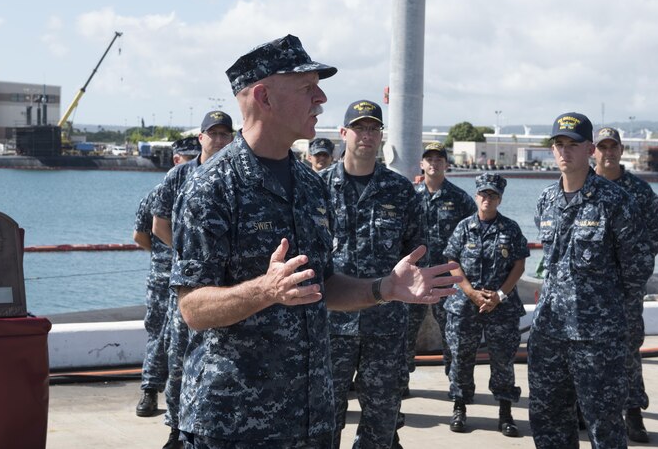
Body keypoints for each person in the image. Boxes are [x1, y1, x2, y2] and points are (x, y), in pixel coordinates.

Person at [169, 34, 461, 449]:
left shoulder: (310, 184)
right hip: (234, 423)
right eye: (307, 88)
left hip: (311, 417)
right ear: (264, 96)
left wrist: (383, 289)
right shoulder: (212, 187)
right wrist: (265, 290)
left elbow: (321, 285)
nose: (320, 97)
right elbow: (193, 308)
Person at [529, 112, 654, 449]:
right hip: (550, 334)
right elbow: (551, 264)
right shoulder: (546, 201)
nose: (564, 152)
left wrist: (609, 313)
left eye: (573, 145)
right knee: (549, 421)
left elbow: (638, 266)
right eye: (559, 145)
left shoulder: (615, 201)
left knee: (604, 427)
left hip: (597, 337)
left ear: (589, 149)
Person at [320, 100, 421, 449]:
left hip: (386, 324)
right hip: (331, 322)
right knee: (323, 415)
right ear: (343, 133)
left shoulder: (401, 190)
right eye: (359, 127)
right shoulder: (315, 188)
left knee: (381, 416)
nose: (366, 134)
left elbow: (416, 253)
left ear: (381, 136)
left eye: (373, 128)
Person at [151, 110, 235, 448]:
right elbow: (158, 226)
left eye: (224, 134)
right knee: (179, 359)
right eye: (212, 134)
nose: (218, 140)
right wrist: (191, 255)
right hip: (189, 287)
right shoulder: (179, 176)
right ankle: (176, 428)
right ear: (200, 138)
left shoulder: (237, 176)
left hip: (226, 287)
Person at [443, 173, 528, 436]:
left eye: (492, 195)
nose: (486, 199)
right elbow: (452, 262)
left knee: (503, 360)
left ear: (500, 198)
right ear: (476, 196)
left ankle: (505, 413)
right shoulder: (463, 227)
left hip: (501, 307)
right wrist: (470, 292)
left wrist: (500, 295)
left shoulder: (510, 228)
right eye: (482, 194)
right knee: (461, 358)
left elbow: (519, 264)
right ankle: (459, 408)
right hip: (465, 305)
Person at [593, 126, 658, 443]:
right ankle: (585, 410)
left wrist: (631, 275)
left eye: (613, 147)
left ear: (621, 150)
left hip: (625, 290)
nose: (608, 152)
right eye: (602, 147)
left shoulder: (640, 191)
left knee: (627, 352)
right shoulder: (582, 187)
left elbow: (654, 239)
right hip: (585, 290)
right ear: (594, 150)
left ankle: (633, 414)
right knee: (585, 352)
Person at [133, 138, 200, 418]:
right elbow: (141, 236)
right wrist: (170, 257)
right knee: (158, 333)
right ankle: (149, 390)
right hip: (163, 276)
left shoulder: (204, 191)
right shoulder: (158, 194)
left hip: (188, 277)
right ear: (176, 160)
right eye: (187, 158)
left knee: (182, 338)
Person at [406, 142, 475, 380]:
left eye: (439, 160)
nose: (434, 164)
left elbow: (472, 235)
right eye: (430, 159)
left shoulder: (460, 198)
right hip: (413, 277)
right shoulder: (410, 197)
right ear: (422, 164)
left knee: (451, 331)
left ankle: (455, 384)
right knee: (407, 331)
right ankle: (401, 381)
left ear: (446, 164)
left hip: (446, 277)